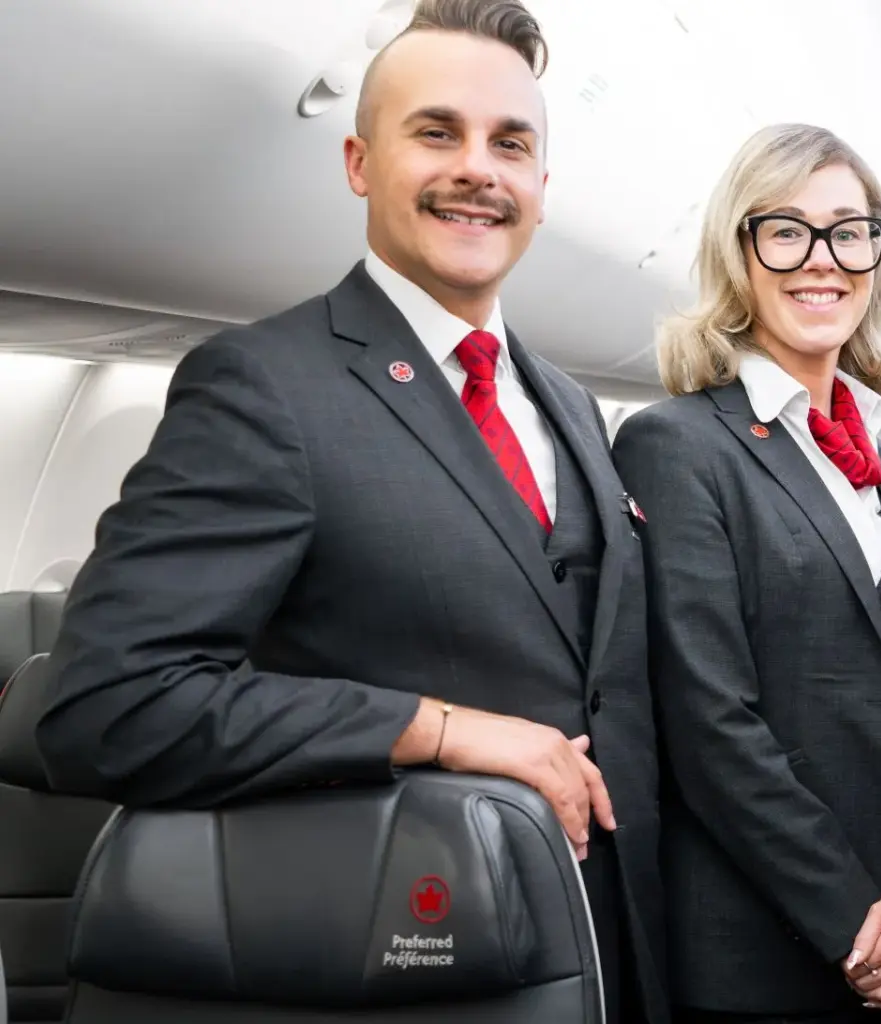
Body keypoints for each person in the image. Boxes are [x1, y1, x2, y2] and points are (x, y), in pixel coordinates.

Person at [33, 2, 667, 1020]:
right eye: (435, 132)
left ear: (542, 188)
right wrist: (439, 728)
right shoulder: (262, 387)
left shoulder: (571, 406)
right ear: (359, 162)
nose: (478, 168)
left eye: (510, 143)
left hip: (600, 956)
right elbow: (105, 706)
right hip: (396, 963)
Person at [611, 123, 881, 1024]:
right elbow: (713, 729)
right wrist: (874, 943)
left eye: (850, 231)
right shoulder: (678, 447)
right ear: (739, 251)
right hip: (761, 956)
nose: (825, 260)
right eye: (786, 230)